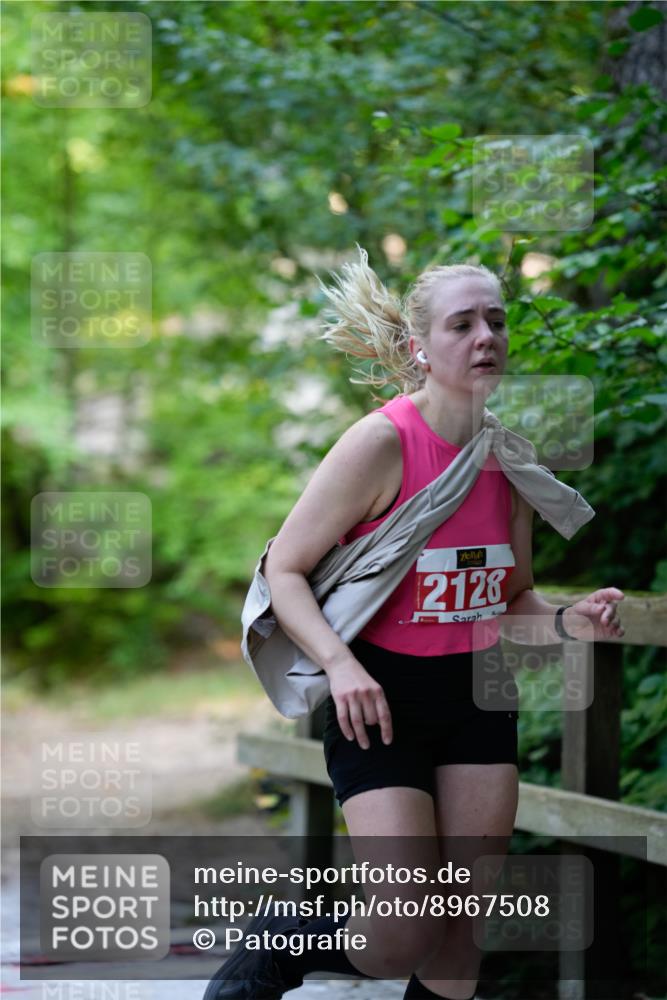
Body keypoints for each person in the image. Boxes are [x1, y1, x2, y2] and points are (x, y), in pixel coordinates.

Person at [204, 247, 624, 1000]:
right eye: (461, 324)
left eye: (494, 320)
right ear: (419, 348)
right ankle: (280, 948)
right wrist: (339, 664)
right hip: (377, 699)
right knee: (403, 932)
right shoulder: (381, 444)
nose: (484, 336)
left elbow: (514, 601)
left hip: (475, 699)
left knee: (459, 933)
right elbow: (284, 572)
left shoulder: (506, 461)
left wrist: (571, 622)